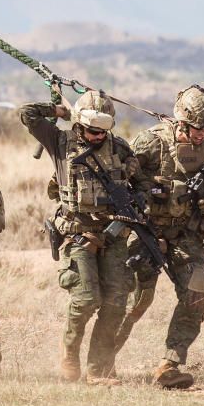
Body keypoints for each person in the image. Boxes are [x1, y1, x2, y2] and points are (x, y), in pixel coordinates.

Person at [115, 85, 204, 389]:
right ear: (181, 121)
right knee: (138, 300)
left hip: (188, 236)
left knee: (196, 294)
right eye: (196, 128)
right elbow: (120, 177)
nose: (201, 134)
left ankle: (170, 365)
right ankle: (103, 359)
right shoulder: (151, 142)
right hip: (148, 232)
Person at [19, 90, 148, 385]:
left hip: (113, 234)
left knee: (116, 302)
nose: (97, 137)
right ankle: (70, 352)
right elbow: (27, 114)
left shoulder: (120, 149)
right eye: (91, 130)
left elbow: (141, 184)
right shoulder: (60, 141)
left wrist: (138, 201)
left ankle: (100, 368)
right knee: (87, 298)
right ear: (80, 124)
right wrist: (59, 111)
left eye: (103, 131)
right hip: (77, 233)